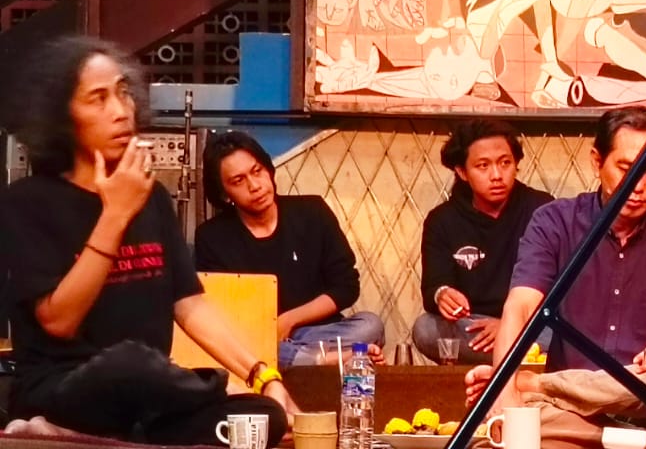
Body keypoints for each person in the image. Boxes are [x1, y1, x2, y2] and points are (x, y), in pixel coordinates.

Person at [0, 36, 293, 445]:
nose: (121, 111)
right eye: (98, 99)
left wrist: (263, 376)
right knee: (130, 362)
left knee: (264, 418)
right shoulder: (27, 202)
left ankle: (131, 435)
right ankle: (181, 402)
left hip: (149, 401)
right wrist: (115, 214)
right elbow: (59, 321)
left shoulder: (151, 196)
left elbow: (190, 304)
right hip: (64, 391)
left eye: (123, 92)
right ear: (62, 117)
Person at [465, 107, 646, 449]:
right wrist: (505, 394)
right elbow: (520, 306)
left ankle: (543, 389)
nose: (638, 186)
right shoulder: (554, 222)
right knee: (490, 435)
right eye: (626, 169)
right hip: (577, 417)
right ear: (597, 161)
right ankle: (645, 442)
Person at [196, 131, 385, 368]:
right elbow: (217, 312)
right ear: (224, 194)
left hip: (318, 332)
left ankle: (298, 358)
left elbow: (346, 287)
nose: (255, 186)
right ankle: (321, 360)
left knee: (370, 325)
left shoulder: (312, 212)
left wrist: (289, 321)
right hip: (255, 336)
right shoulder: (212, 237)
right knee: (237, 343)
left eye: (257, 171)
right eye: (238, 181)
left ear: (268, 169)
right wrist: (268, 331)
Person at [414, 120, 554, 365]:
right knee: (425, 329)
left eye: (505, 163)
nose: (497, 175)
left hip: (529, 323)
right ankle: (520, 357)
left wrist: (510, 326)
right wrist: (442, 295)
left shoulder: (542, 209)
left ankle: (508, 353)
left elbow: (560, 290)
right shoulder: (442, 220)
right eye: (483, 166)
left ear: (516, 164)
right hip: (474, 326)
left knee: (564, 333)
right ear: (462, 172)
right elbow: (433, 287)